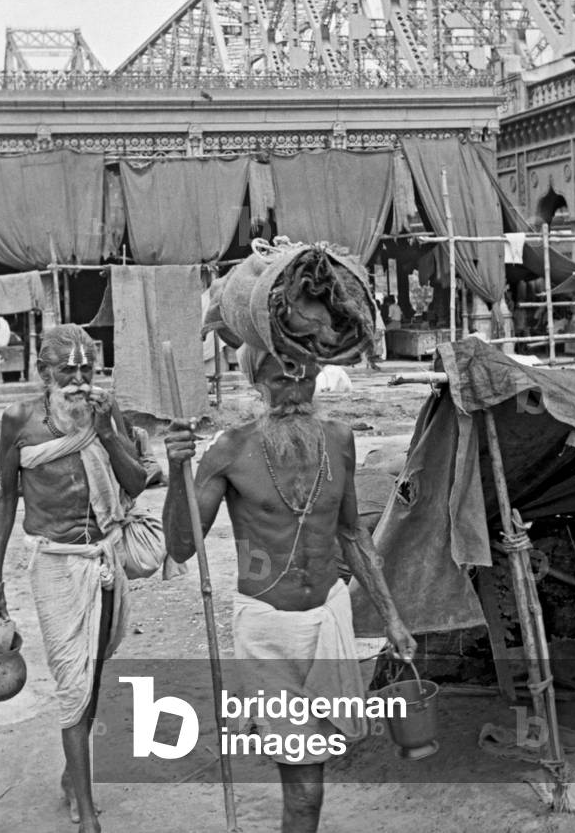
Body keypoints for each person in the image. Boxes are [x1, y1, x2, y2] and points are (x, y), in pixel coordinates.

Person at [164, 344, 416, 833]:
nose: (295, 392)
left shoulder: (340, 439)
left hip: (328, 620)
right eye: (280, 380)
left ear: (318, 375)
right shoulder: (230, 449)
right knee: (305, 787)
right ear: (257, 384)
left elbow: (351, 534)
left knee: (310, 776)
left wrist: (391, 616)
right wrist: (176, 472)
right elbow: (180, 545)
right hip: (267, 631)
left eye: (303, 378)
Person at [0, 324, 146, 833]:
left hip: (104, 558)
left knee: (92, 676)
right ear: (44, 373)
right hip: (54, 565)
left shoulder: (105, 410)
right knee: (73, 683)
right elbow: (6, 496)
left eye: (86, 370)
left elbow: (136, 481)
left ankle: (73, 778)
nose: (77, 381)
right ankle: (88, 814)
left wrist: (108, 432)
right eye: (66, 371)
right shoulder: (20, 420)